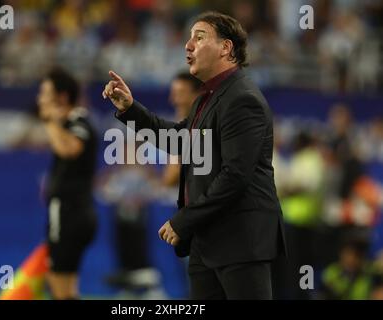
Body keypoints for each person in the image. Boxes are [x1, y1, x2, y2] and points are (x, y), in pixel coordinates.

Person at [103, 11, 286, 300]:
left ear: (226, 48)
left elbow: (236, 175)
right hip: (207, 239)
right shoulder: (207, 96)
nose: (188, 45)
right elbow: (180, 141)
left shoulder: (243, 99)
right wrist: (129, 109)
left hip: (241, 239)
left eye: (199, 38)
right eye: (188, 38)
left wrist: (183, 219)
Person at [38, 67, 98, 300]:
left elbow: (69, 149)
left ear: (62, 97)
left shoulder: (78, 123)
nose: (40, 99)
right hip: (74, 214)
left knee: (58, 285)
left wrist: (50, 122)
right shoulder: (70, 125)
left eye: (45, 93)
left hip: (69, 214)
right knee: (67, 289)